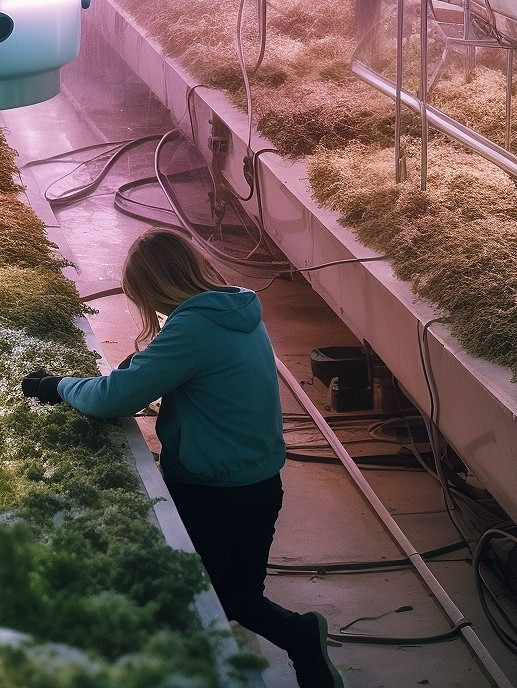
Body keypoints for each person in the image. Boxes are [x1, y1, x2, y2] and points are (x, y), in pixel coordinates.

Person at [23, 230, 339, 688]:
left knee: (189, 604)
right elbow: (176, 366)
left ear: (156, 287)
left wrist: (56, 386)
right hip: (262, 484)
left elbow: (114, 398)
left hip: (211, 492)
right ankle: (302, 637)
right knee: (238, 597)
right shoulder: (237, 310)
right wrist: (146, 363)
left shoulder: (193, 329)